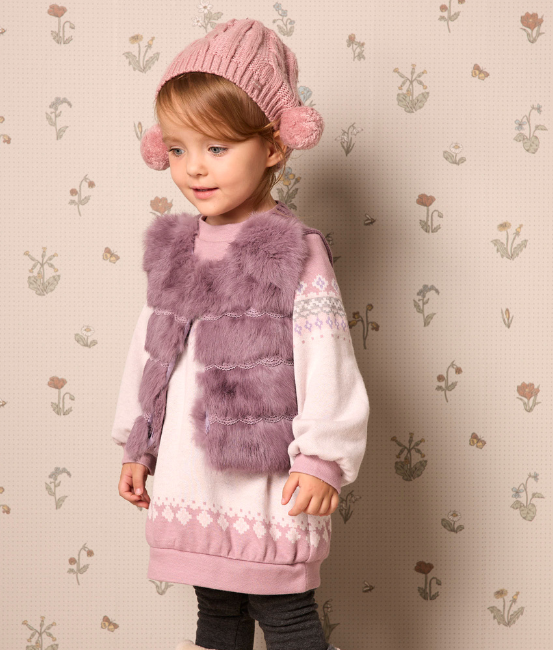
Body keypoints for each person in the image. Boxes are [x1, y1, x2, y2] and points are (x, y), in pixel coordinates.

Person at [111, 17, 370, 650]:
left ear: (274, 145)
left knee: (285, 613)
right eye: (178, 149)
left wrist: (322, 457)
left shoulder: (292, 252)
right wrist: (139, 446)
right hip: (192, 476)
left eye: (217, 148)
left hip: (266, 483)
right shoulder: (177, 250)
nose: (194, 169)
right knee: (217, 612)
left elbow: (326, 360)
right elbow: (153, 356)